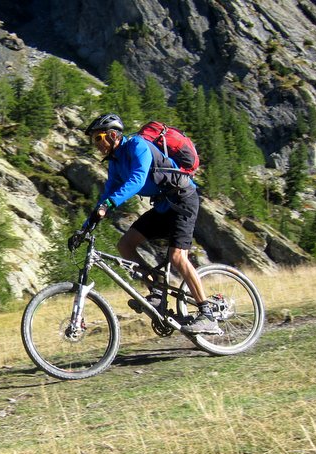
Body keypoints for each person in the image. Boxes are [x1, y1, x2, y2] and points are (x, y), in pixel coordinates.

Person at [73, 113, 220, 335]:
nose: (96, 145)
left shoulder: (137, 146)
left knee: (177, 256)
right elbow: (107, 194)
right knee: (125, 245)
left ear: (113, 135)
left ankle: (207, 313)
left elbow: (138, 179)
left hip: (183, 199)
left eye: (97, 138)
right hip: (163, 206)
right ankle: (157, 291)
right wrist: (85, 227)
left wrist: (110, 203)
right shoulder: (115, 163)